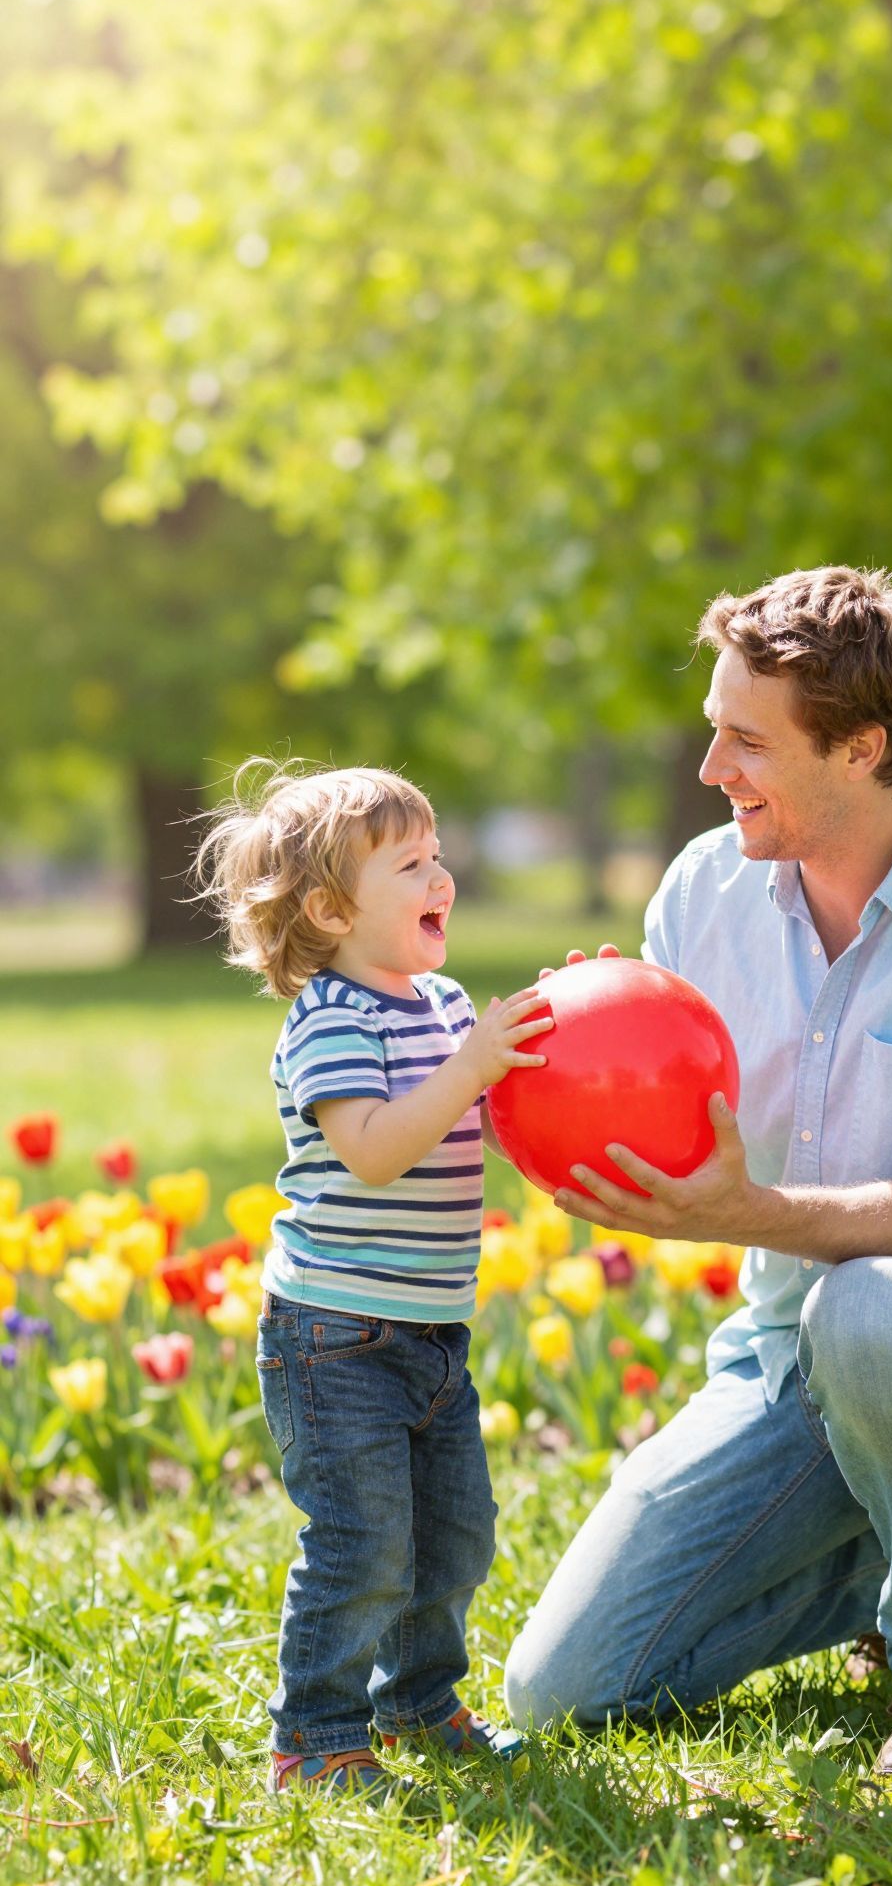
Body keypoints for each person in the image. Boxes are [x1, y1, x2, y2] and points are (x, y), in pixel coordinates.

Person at [504, 565, 892, 1773]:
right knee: (561, 1690)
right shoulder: (703, 887)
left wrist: (747, 1212)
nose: (710, 769)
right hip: (781, 1359)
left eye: (747, 740)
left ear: (862, 749)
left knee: (878, 1298)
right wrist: (580, 1046)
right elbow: (672, 1097)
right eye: (712, 732)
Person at [198, 760, 551, 1793]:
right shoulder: (331, 1020)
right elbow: (378, 1149)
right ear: (330, 906)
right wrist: (472, 1064)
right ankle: (314, 1736)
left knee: (455, 1535)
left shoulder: (441, 1004)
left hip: (433, 1331)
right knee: (363, 1542)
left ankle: (418, 1703)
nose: (441, 876)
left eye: (438, 854)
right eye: (411, 862)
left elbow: (494, 1114)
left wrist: (556, 1042)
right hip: (335, 1334)